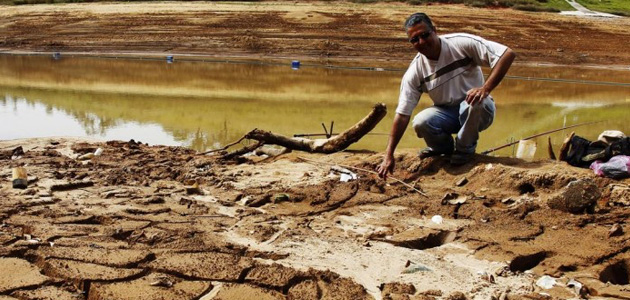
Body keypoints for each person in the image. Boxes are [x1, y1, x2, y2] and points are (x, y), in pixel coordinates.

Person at [377, 12, 515, 179]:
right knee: (421, 121)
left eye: (424, 35)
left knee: (475, 102)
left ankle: (465, 151)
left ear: (435, 30)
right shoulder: (415, 71)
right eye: (414, 39)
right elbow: (402, 114)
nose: (421, 42)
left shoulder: (461, 43)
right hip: (447, 114)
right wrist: (389, 155)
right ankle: (443, 149)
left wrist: (485, 89)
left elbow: (507, 54)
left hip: (479, 109)